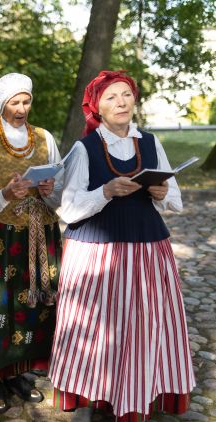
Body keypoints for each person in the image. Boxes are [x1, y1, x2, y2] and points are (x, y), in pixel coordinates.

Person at [48, 70, 195, 421]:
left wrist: (162, 192)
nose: (121, 102)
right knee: (99, 327)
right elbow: (67, 209)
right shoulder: (84, 149)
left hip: (146, 249)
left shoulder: (149, 142)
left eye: (126, 95)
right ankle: (101, 393)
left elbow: (175, 199)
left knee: (144, 325)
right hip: (96, 253)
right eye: (112, 97)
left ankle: (138, 389)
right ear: (97, 107)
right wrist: (106, 192)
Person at [0, 73, 63, 413]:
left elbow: (62, 185)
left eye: (26, 101)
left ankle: (19, 372)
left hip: (40, 230)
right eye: (14, 102)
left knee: (32, 307)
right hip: (1, 235)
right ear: (2, 105)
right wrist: (5, 193)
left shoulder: (44, 137)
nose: (21, 108)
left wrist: (52, 190)